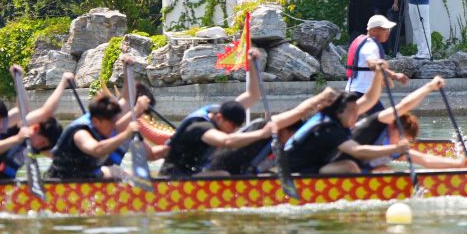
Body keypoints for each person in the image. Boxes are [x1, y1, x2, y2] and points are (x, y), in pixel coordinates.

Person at [159, 49, 275, 177]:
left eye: (236, 127)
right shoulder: (201, 127)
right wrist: (262, 134)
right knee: (223, 174)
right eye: (232, 126)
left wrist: (252, 65)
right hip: (174, 177)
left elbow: (253, 95)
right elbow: (227, 141)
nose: (233, 131)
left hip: (194, 171)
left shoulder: (225, 112)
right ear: (219, 117)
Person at [346, 74, 467, 171]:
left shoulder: (396, 150)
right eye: (400, 136)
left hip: (360, 171)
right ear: (392, 126)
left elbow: (425, 160)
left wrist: (459, 164)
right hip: (342, 163)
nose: (401, 142)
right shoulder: (380, 121)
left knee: (384, 169)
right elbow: (404, 106)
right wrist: (430, 87)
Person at [208, 88, 339, 175]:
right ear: (284, 129)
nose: (295, 141)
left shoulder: (279, 147)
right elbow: (299, 112)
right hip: (219, 174)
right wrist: (321, 98)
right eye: (293, 136)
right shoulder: (264, 127)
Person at [283, 91, 410, 174]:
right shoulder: (329, 128)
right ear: (339, 112)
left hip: (310, 165)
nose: (356, 115)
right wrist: (395, 149)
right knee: (350, 166)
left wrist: (378, 74)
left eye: (357, 111)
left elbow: (369, 99)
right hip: (295, 170)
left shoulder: (336, 122)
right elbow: (358, 151)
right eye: (352, 112)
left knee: (377, 167)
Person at [47, 91, 166, 179]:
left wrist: (137, 110)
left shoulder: (101, 123)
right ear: (96, 121)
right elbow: (97, 149)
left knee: (130, 175)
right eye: (111, 123)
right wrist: (125, 135)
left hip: (89, 175)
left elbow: (118, 125)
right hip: (65, 182)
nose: (114, 127)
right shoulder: (81, 133)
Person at [344, 15, 410, 106]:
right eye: (385, 29)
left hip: (356, 91)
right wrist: (394, 75)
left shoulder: (366, 42)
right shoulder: (370, 45)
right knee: (382, 115)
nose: (388, 32)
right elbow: (373, 64)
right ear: (373, 30)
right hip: (362, 93)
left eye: (389, 30)